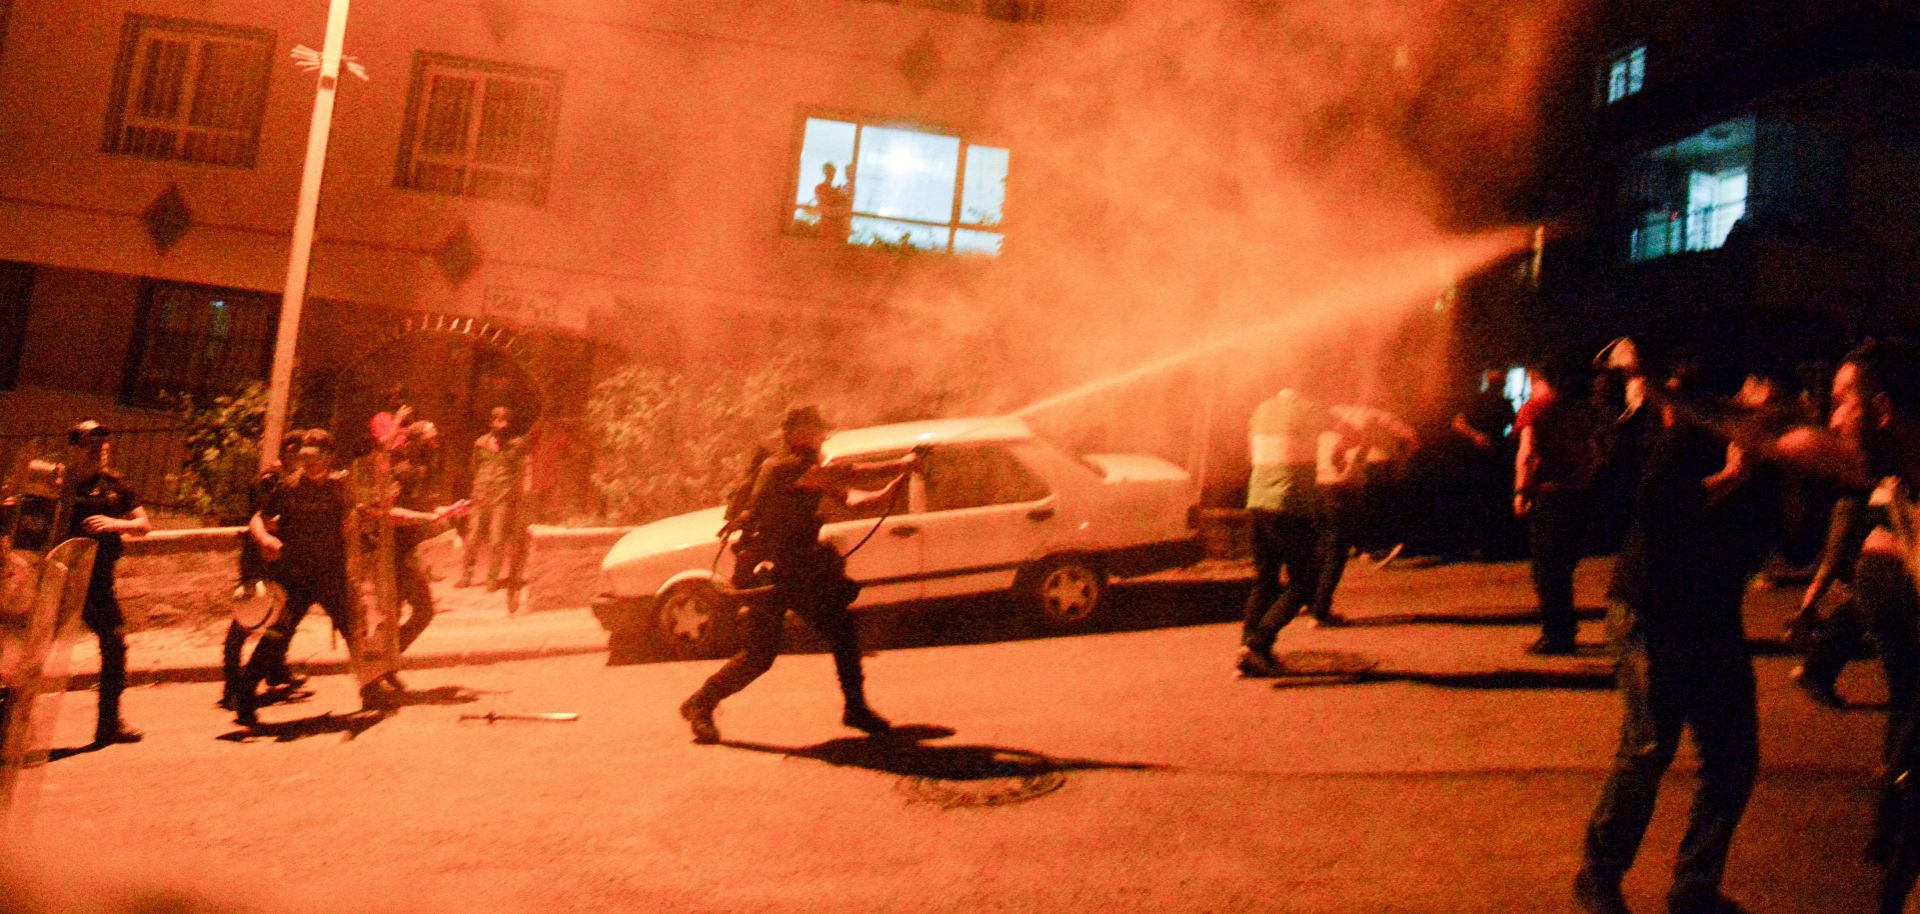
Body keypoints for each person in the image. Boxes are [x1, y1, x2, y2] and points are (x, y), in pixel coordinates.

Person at [1573, 365, 1779, 914]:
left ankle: (1694, 886)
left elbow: (1790, 544)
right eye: (1767, 391)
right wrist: (1730, 477)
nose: (1775, 403)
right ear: (1744, 389)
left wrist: (1788, 481)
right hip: (1652, 608)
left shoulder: (1776, 453)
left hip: (1713, 616)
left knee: (1734, 758)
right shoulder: (1693, 437)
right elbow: (1657, 512)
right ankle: (1598, 874)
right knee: (1647, 747)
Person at [678, 406, 917, 744]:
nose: (819, 435)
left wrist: (893, 487)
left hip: (795, 572)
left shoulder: (807, 469)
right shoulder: (785, 467)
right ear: (794, 432)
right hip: (773, 574)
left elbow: (852, 503)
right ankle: (700, 704)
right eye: (813, 429)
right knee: (769, 653)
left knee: (831, 634)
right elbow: (848, 474)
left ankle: (855, 709)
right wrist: (900, 464)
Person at [234, 429, 359, 726]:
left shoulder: (340, 487)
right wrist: (265, 540)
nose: (307, 462)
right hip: (297, 577)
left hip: (332, 576)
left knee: (355, 632)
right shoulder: (287, 487)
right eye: (303, 457)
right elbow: (257, 518)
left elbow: (353, 519)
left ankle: (372, 685)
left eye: (313, 457)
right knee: (277, 636)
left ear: (328, 456)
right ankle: (244, 697)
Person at [1236, 385, 1356, 677]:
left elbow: (1252, 450)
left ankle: (1246, 652)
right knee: (1306, 580)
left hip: (1257, 501)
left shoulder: (1262, 409)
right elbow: (1350, 433)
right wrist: (1339, 454)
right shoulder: (1312, 410)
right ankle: (1259, 643)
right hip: (1290, 505)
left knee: (1265, 578)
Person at [62, 421, 150, 745]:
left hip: (98, 583)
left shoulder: (115, 485)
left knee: (115, 646)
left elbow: (143, 524)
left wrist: (113, 523)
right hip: (59, 581)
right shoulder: (58, 482)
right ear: (74, 448)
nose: (99, 449)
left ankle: (109, 723)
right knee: (29, 657)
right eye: (90, 443)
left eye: (103, 444)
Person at [218, 432, 307, 712]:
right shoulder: (270, 480)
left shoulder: (294, 482)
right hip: (259, 557)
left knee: (283, 617)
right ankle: (232, 685)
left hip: (281, 558)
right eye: (301, 453)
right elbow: (266, 520)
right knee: (247, 617)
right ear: (291, 451)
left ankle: (276, 670)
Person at [1513, 361, 1597, 656]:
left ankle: (1557, 634)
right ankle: (1565, 628)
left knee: (1547, 570)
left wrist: (1521, 490)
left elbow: (1528, 452)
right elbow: (1593, 450)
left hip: (1550, 495)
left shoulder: (1535, 408)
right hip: (1578, 494)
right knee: (1564, 566)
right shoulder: (1575, 409)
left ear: (1537, 380)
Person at [387, 422, 467, 659]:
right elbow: (389, 512)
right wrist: (428, 517)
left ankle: (389, 659)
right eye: (428, 441)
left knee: (421, 612)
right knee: (396, 614)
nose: (434, 446)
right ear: (414, 443)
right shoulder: (400, 472)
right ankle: (382, 665)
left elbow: (424, 507)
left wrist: (449, 510)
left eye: (434, 440)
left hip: (414, 554)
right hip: (394, 554)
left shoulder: (422, 471)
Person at [460, 407, 529, 593]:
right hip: (480, 495)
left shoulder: (517, 445)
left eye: (505, 420)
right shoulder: (480, 444)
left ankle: (493, 578)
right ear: (491, 422)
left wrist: (519, 495)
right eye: (498, 420)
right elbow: (474, 468)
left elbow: (522, 471)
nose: (502, 424)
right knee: (472, 537)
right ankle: (466, 575)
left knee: (497, 539)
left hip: (502, 498)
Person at [1451, 367, 1517, 560]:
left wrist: (1504, 441)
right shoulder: (1479, 401)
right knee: (1485, 500)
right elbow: (1458, 423)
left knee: (1488, 501)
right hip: (1481, 459)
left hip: (1489, 457)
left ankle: (1488, 546)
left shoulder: (1502, 403)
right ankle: (1485, 546)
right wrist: (1478, 437)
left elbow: (1515, 426)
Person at [813, 162, 853, 243]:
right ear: (824, 172)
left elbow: (842, 205)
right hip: (826, 224)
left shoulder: (837, 190)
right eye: (829, 172)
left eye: (833, 172)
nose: (831, 175)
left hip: (837, 226)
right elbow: (824, 202)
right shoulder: (820, 188)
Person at [368, 385, 414, 453]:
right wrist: (398, 419)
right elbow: (386, 447)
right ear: (389, 399)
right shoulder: (379, 418)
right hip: (387, 461)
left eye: (404, 397)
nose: (402, 401)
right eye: (398, 397)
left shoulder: (408, 419)